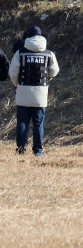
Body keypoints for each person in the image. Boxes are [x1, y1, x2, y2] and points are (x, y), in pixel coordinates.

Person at [8, 26, 60, 156]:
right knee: (38, 123)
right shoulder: (48, 53)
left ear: (28, 37)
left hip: (23, 91)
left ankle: (20, 148)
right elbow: (55, 71)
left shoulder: (20, 52)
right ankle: (38, 150)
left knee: (22, 122)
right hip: (41, 92)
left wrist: (17, 85)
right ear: (41, 37)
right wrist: (47, 78)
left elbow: (13, 72)